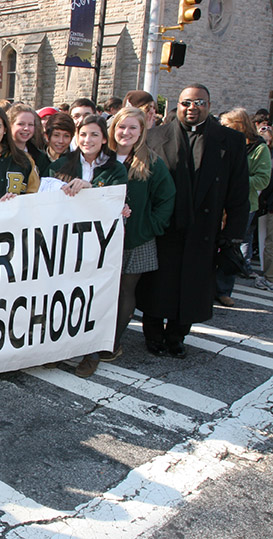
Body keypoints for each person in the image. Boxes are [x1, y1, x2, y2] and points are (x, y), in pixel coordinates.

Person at [137, 84, 250, 358]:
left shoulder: (231, 141)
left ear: (209, 106)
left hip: (203, 229)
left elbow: (239, 193)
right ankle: (153, 334)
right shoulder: (154, 137)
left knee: (192, 285)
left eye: (199, 103)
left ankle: (177, 336)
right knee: (157, 284)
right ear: (179, 105)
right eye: (187, 103)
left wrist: (232, 236)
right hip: (164, 228)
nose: (192, 108)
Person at [72, 107, 176, 377]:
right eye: (121, 127)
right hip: (98, 240)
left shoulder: (151, 162)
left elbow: (166, 200)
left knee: (124, 292)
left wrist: (148, 227)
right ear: (111, 130)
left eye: (133, 128)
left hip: (136, 239)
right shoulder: (99, 158)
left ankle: (111, 342)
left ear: (142, 132)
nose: (126, 133)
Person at [48, 114, 129, 375]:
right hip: (67, 241)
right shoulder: (62, 163)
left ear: (104, 138)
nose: (88, 139)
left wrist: (91, 188)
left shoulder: (115, 168)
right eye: (83, 134)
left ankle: (91, 352)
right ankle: (58, 348)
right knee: (64, 294)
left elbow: (117, 199)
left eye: (94, 134)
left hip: (99, 244)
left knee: (95, 295)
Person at [213, 108, 271, 305]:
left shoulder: (258, 148)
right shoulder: (221, 143)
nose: (223, 129)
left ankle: (223, 290)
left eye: (227, 125)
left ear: (239, 126)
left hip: (242, 204)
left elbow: (263, 180)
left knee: (231, 246)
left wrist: (237, 181)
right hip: (217, 202)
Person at [8, 104, 51, 177]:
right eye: (21, 124)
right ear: (10, 125)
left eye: (30, 124)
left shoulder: (40, 158)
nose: (26, 128)